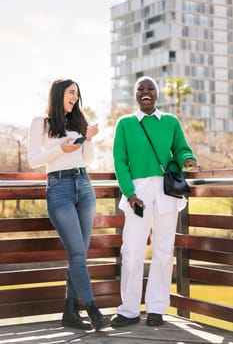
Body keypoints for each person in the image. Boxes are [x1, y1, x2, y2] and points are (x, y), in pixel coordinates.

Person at [111, 76, 200, 328]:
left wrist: (189, 159)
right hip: (137, 194)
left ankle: (156, 308)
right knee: (132, 251)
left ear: (157, 94)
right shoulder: (125, 124)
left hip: (166, 193)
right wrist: (129, 193)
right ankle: (128, 309)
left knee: (163, 251)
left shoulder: (170, 121)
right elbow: (120, 161)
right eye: (141, 89)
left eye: (150, 88)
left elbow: (181, 148)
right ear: (136, 95)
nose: (146, 92)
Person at [27, 78, 109, 331]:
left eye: (77, 94)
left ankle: (70, 311)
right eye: (71, 93)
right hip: (59, 188)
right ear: (59, 94)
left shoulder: (78, 122)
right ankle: (93, 309)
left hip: (84, 187)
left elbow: (87, 160)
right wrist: (60, 149)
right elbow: (33, 160)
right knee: (76, 254)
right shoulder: (40, 122)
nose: (75, 98)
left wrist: (90, 139)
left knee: (79, 255)